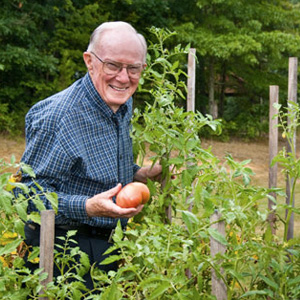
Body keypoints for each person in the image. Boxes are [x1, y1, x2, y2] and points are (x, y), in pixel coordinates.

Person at [18, 21, 162, 289]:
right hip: (62, 253)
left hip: (108, 245)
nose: (123, 77)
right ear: (89, 61)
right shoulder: (57, 116)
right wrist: (87, 207)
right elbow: (26, 196)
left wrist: (140, 173)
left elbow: (97, 168)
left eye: (133, 68)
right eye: (113, 65)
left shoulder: (122, 102)